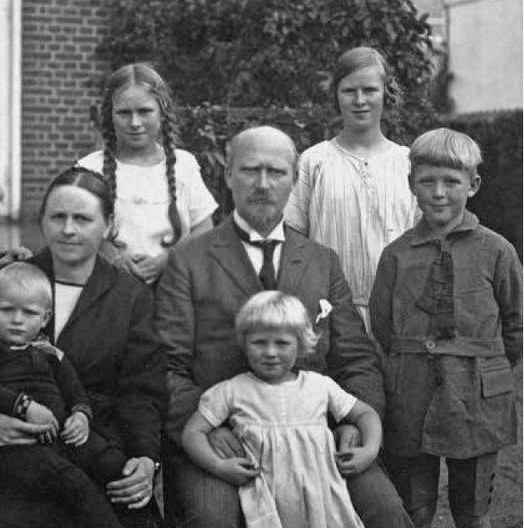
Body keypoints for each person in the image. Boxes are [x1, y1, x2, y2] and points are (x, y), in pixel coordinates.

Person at [155, 125, 412, 528]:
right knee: (212, 521)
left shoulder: (321, 261)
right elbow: (166, 365)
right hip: (221, 437)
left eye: (275, 172)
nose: (262, 184)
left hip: (315, 437)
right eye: (249, 170)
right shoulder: (189, 259)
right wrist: (211, 428)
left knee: (387, 516)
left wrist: (352, 424)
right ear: (227, 175)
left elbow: (356, 358)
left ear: (294, 178)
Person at [0, 166, 167, 528]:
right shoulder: (10, 282)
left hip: (90, 448)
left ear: (108, 225)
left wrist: (144, 457)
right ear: (42, 221)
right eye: (57, 217)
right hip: (4, 452)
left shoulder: (129, 296)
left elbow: (142, 389)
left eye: (83, 218)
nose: (69, 229)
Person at [369, 128, 522, 528]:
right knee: (414, 508)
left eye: (451, 182)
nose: (438, 192)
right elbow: (382, 326)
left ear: (473, 185)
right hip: (411, 397)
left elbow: (516, 325)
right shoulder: (396, 255)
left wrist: (487, 369)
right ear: (411, 185)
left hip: (477, 398)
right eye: (427, 181)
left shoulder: (497, 251)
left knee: (472, 510)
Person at [182, 291, 382, 528]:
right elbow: (192, 432)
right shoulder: (232, 390)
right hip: (265, 501)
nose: (270, 353)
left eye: (282, 343)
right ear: (244, 344)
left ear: (300, 343)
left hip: (321, 500)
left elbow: (365, 414)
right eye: (259, 342)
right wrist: (219, 466)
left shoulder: (319, 386)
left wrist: (369, 450)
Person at [0, 261, 125, 528]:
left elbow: (74, 390)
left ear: (45, 318)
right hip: (18, 443)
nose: (17, 319)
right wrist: (24, 407)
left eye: (29, 313)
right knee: (73, 483)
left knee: (113, 464)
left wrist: (81, 416)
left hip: (62, 436)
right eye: (7, 310)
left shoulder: (49, 353)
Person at [284, 46, 419, 330]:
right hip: (327, 312)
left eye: (370, 90)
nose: (360, 100)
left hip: (400, 313)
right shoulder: (314, 161)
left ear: (386, 92)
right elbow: (293, 239)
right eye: (349, 91)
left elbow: (424, 239)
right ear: (336, 94)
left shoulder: (408, 162)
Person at [76, 62, 218, 284]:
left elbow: (204, 228)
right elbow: (77, 226)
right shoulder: (90, 169)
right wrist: (113, 258)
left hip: (173, 284)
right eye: (124, 113)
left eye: (144, 112)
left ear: (162, 112)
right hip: (108, 285)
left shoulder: (183, 165)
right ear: (110, 116)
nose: (135, 123)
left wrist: (168, 260)